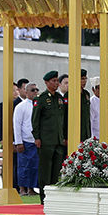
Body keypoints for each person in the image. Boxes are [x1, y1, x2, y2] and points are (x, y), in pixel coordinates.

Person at [31, 70, 67, 202]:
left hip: (58, 140)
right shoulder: (41, 98)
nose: (56, 83)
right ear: (46, 82)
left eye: (57, 81)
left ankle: (54, 196)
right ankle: (44, 197)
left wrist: (63, 136)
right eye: (53, 81)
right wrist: (37, 137)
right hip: (46, 140)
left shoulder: (59, 98)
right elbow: (35, 120)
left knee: (56, 170)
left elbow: (62, 120)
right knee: (45, 170)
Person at [12, 82, 39, 196]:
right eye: (32, 90)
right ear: (26, 92)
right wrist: (18, 142)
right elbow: (17, 125)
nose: (35, 92)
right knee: (23, 166)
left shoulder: (38, 105)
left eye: (37, 90)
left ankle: (31, 188)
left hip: (35, 141)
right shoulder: (21, 106)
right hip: (25, 141)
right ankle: (22, 189)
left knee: (34, 166)